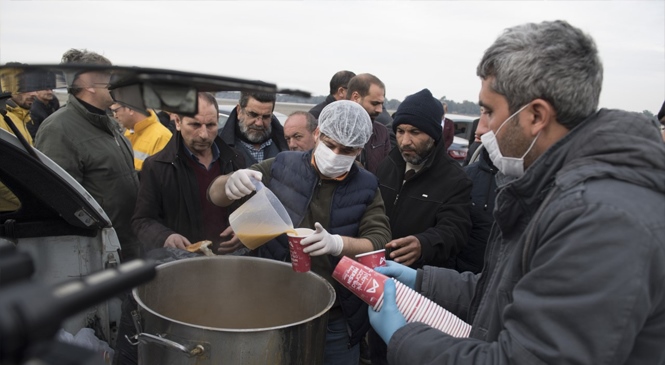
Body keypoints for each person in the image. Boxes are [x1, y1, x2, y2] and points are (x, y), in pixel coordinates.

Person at [367, 20, 665, 364]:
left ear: (536, 115)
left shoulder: (601, 218)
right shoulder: (559, 193)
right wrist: (422, 281)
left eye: (489, 111)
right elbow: (503, 292)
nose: (481, 129)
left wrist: (404, 338)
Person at [208, 100, 392, 365]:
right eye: (330, 145)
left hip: (334, 313)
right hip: (275, 301)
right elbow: (216, 195)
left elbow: (379, 240)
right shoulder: (283, 165)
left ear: (360, 149)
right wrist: (229, 182)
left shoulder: (366, 186)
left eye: (347, 150)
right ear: (317, 135)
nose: (336, 154)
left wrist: (338, 243)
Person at [370, 88, 472, 364]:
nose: (405, 140)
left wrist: (424, 243)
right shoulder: (387, 166)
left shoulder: (455, 179)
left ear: (434, 134)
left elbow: (456, 230)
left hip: (421, 292)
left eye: (415, 132)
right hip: (378, 282)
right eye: (400, 131)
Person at [35, 49, 141, 261]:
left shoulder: (109, 124)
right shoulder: (58, 130)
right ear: (88, 85)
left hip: (130, 244)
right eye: (108, 79)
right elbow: (59, 202)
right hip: (99, 253)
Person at [132, 92, 245, 254]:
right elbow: (141, 221)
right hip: (184, 266)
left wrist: (245, 230)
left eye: (211, 125)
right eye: (195, 125)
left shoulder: (235, 160)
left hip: (230, 262)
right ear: (178, 122)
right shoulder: (157, 167)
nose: (204, 134)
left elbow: (250, 209)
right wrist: (165, 236)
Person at [217, 91, 288, 165]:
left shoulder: (288, 144)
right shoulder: (217, 144)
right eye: (253, 115)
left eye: (266, 117)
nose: (259, 123)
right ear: (239, 111)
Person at [346, 73, 391, 175]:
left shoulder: (382, 132)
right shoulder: (330, 129)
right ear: (355, 97)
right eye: (375, 103)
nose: (380, 110)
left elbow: (386, 173)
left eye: (381, 104)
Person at [110, 103, 172, 171]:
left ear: (130, 109)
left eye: (116, 111)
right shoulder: (129, 132)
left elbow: (162, 176)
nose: (115, 116)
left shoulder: (162, 136)